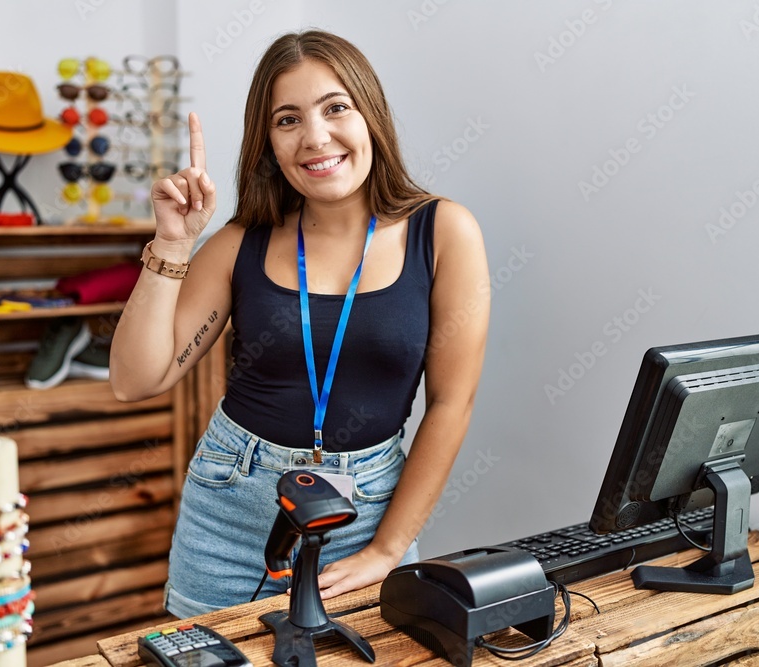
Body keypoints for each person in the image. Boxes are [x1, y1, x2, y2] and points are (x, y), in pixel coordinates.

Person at [110, 29, 489, 618]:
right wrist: (173, 243)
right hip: (230, 509)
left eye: (336, 108)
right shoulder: (239, 244)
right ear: (268, 143)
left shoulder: (442, 232)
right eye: (287, 120)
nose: (315, 137)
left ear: (371, 117)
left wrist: (388, 548)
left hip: (368, 512)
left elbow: (451, 403)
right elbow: (136, 379)